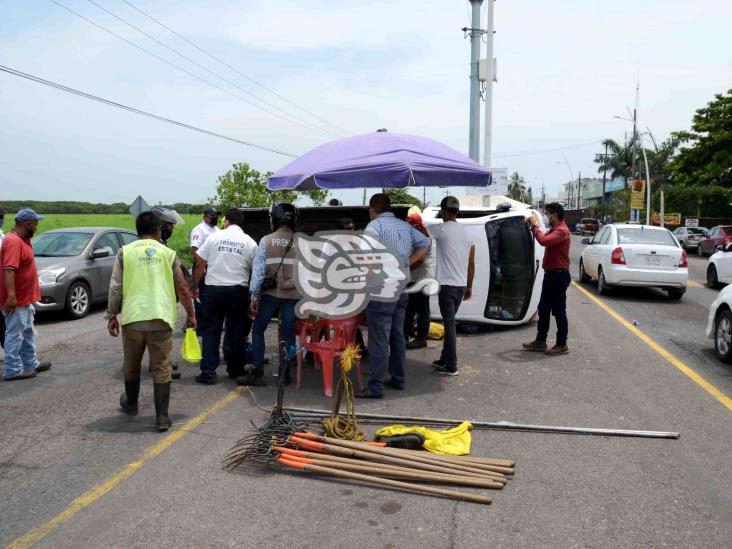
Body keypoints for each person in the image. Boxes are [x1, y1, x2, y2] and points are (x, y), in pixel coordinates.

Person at [107, 211, 196, 431]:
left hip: (133, 319)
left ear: (138, 231)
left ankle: (131, 404)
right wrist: (191, 314)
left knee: (131, 365)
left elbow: (116, 287)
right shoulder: (168, 254)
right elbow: (183, 288)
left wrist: (111, 315)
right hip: (161, 318)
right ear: (158, 230)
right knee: (161, 367)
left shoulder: (124, 252)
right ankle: (162, 418)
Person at [356, 193, 430, 398]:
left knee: (378, 338)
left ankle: (375, 387)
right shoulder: (404, 226)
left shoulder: (374, 227)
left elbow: (364, 255)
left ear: (372, 208)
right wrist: (409, 262)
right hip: (402, 287)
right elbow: (425, 243)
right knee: (397, 335)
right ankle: (398, 378)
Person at [238, 202, 299, 387]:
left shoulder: (266, 240)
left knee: (258, 329)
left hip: (271, 295)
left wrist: (254, 296)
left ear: (275, 219)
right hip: (293, 296)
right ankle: (285, 373)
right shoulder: (301, 241)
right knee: (288, 334)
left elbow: (258, 272)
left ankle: (257, 372)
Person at [193, 208, 257, 384]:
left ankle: (208, 371)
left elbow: (200, 263)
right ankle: (235, 370)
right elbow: (256, 270)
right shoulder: (250, 242)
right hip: (238, 291)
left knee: (211, 330)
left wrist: (195, 285)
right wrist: (254, 295)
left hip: (213, 289)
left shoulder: (214, 237)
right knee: (235, 330)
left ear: (226, 221)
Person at [0, 209, 52, 380]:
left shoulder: (22, 240)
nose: (37, 226)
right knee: (14, 334)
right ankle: (13, 369)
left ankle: (30, 363)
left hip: (24, 298)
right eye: (36, 223)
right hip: (16, 299)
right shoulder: (13, 241)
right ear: (28, 224)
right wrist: (11, 296)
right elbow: (9, 270)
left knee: (27, 331)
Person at [428, 197, 475, 376]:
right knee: (450, 324)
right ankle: (444, 358)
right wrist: (469, 286)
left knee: (449, 326)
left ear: (445, 212)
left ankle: (452, 365)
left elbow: (421, 235)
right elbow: (471, 263)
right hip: (461, 286)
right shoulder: (468, 233)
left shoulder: (441, 229)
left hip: (447, 286)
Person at [523, 202, 571, 355]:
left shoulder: (562, 231)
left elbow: (543, 241)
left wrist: (535, 226)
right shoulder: (555, 230)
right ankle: (540, 341)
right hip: (551, 275)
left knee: (559, 311)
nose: (546, 217)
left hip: (558, 276)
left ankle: (562, 344)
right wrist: (532, 226)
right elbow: (543, 236)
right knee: (544, 309)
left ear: (554, 215)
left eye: (548, 214)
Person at [404, 210, 432, 350]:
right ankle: (405, 336)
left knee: (422, 310)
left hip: (421, 279)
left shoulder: (424, 239)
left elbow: (419, 260)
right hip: (414, 279)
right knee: (409, 309)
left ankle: (421, 339)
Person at [189, 207, 221, 327]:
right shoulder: (199, 229)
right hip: (202, 265)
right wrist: (200, 266)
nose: (215, 218)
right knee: (200, 295)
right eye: (213, 216)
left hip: (214, 265)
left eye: (216, 216)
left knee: (212, 295)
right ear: (205, 217)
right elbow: (194, 249)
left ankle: (211, 322)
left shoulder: (217, 230)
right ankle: (200, 325)